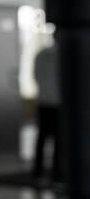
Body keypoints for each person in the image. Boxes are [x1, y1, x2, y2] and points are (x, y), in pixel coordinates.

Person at [33, 37, 60, 182]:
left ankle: (38, 171)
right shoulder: (62, 56)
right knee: (58, 139)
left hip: (43, 101)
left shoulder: (41, 54)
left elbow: (36, 76)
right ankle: (57, 173)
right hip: (57, 103)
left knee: (42, 137)